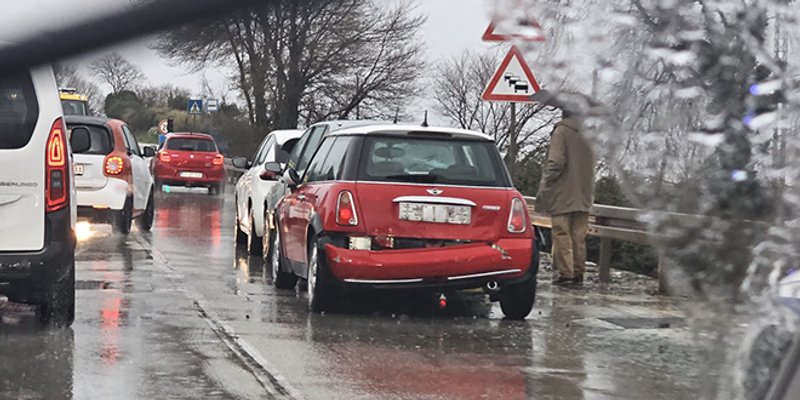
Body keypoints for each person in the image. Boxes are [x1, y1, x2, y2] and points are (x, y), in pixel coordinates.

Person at [536, 107, 596, 286]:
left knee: (561, 233)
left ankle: (566, 274)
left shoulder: (561, 132)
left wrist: (546, 183)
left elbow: (556, 161)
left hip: (562, 192)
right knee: (579, 235)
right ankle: (578, 272)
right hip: (584, 193)